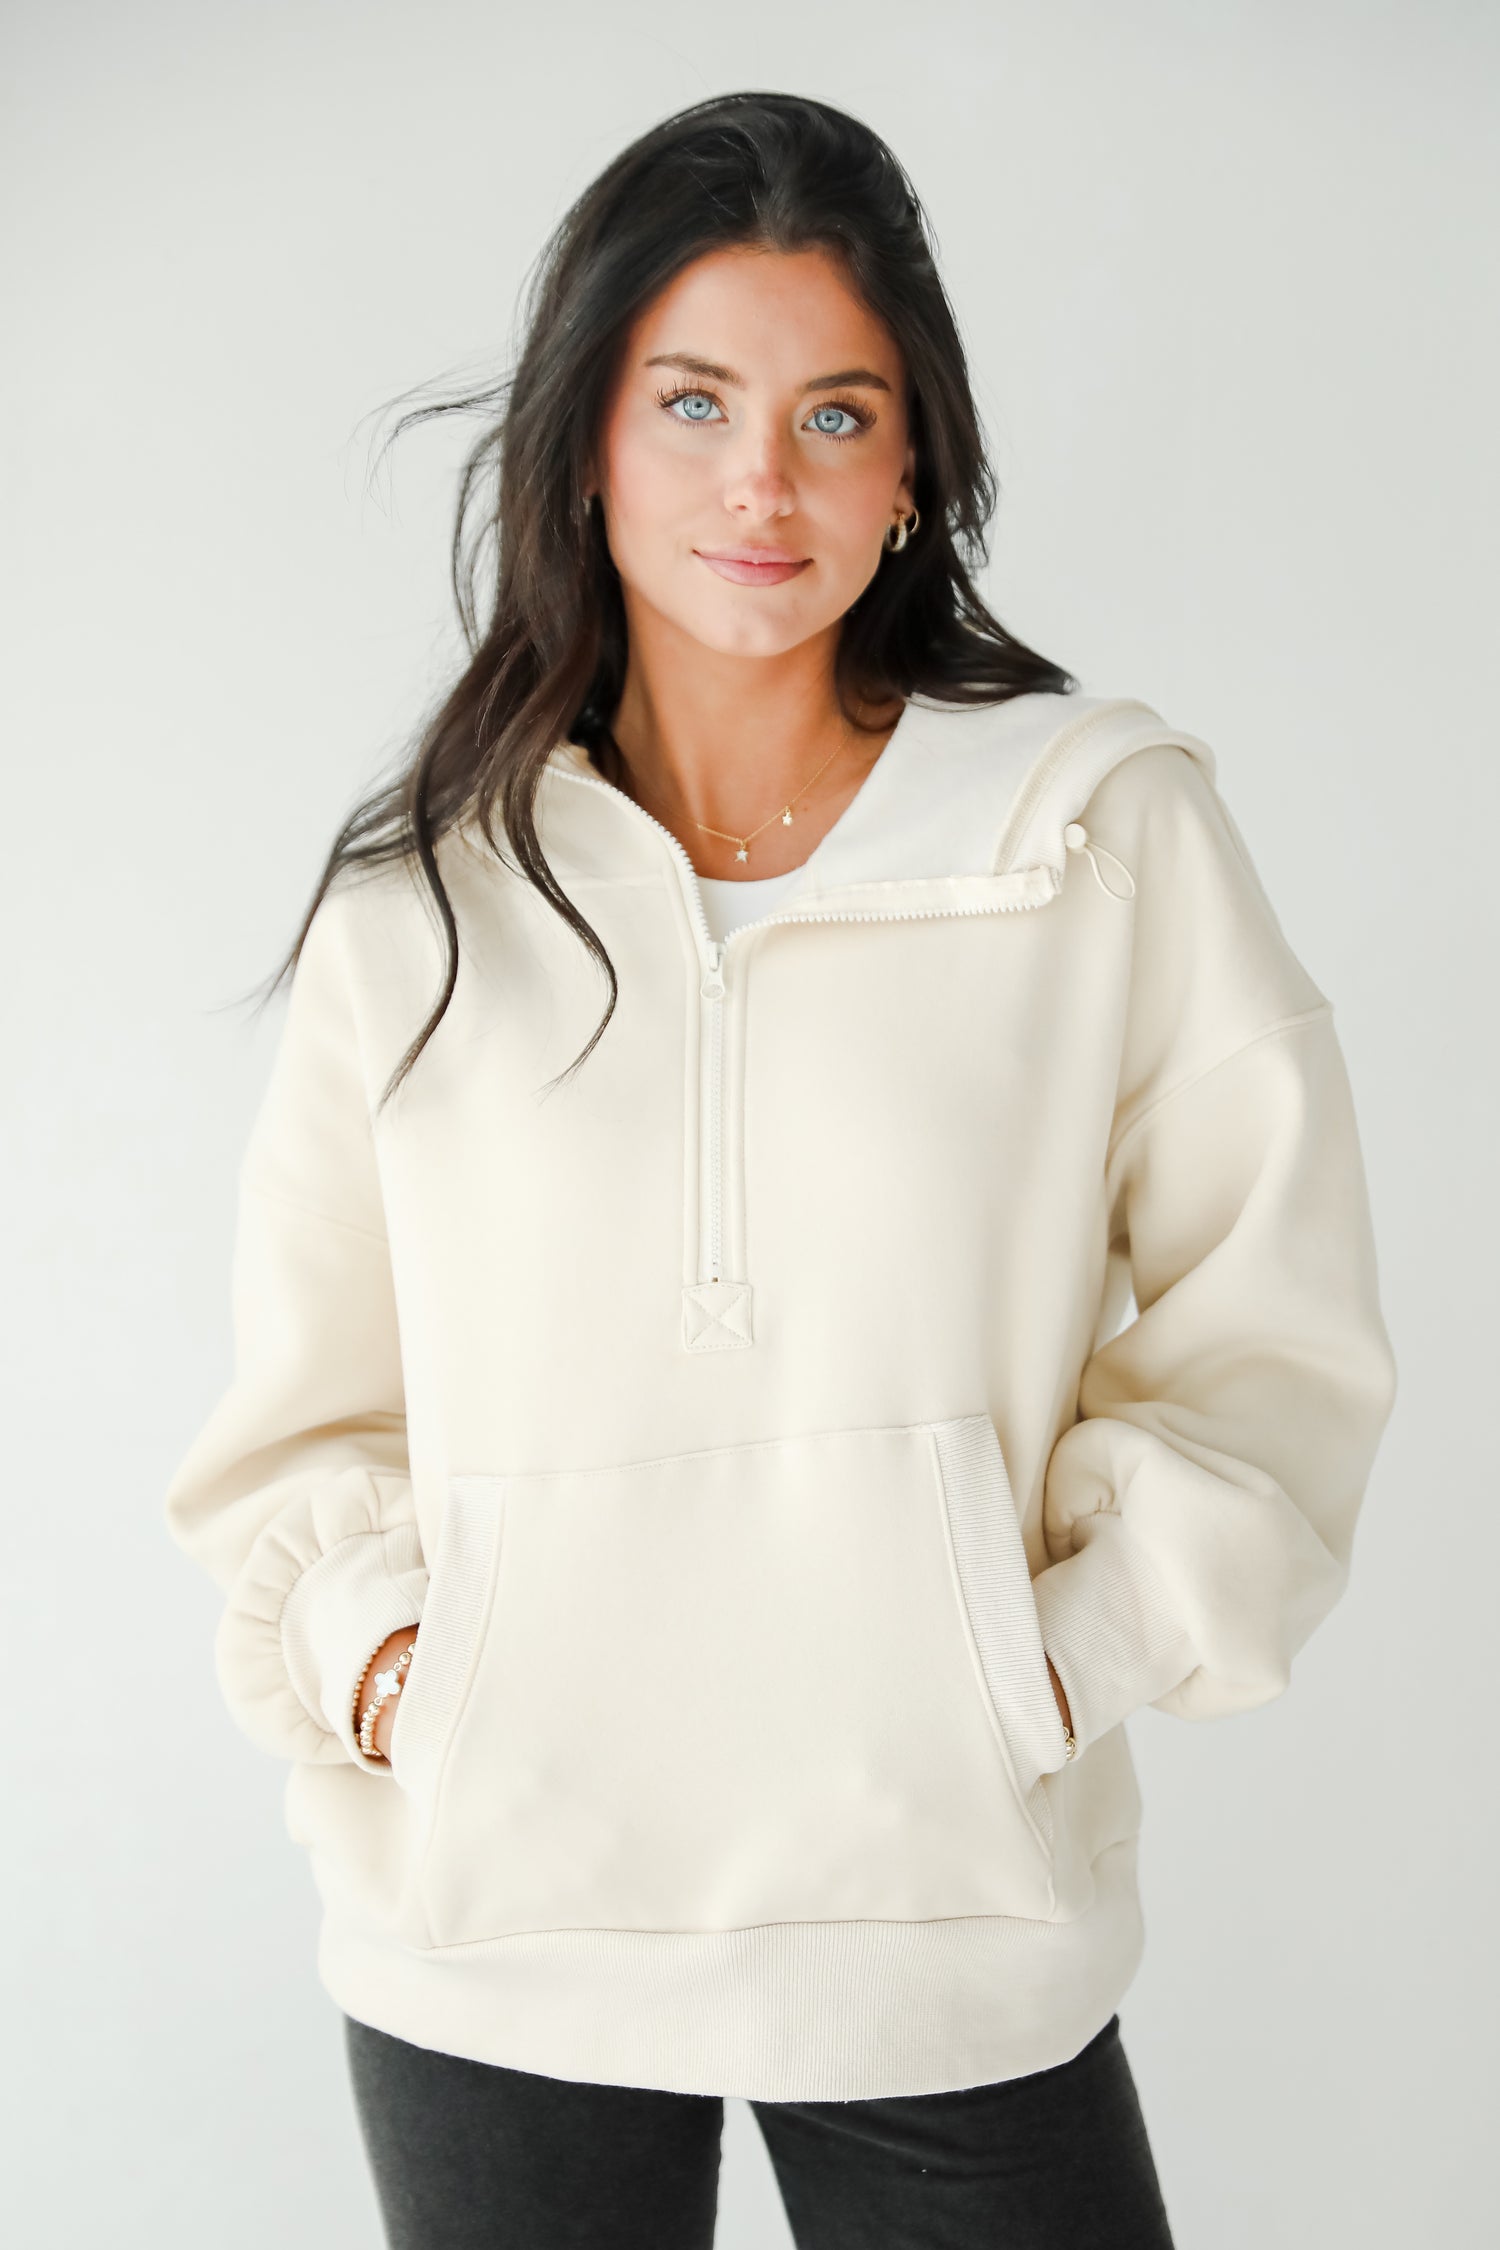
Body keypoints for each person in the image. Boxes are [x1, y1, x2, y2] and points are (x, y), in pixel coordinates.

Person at [162, 90, 1398, 2250]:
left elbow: (1273, 1332)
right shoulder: (423, 906)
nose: (764, 481)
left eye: (837, 414)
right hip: (495, 1940)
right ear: (584, 442)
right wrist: (398, 1679)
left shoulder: (1093, 835)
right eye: (695, 402)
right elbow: (302, 1416)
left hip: (947, 1923)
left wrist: (1037, 1668)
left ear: (913, 469)